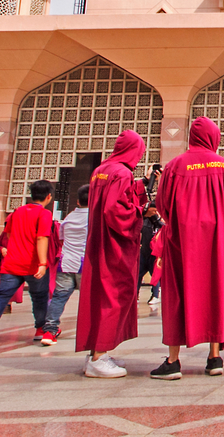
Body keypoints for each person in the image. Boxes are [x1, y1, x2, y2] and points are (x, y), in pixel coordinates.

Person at [153, 117, 224, 379]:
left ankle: (173, 361)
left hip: (182, 242)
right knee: (215, 292)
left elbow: (162, 204)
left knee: (178, 296)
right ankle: (214, 357)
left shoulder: (175, 166)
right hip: (217, 244)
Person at [76, 130, 153, 378]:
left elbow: (116, 196)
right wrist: (142, 213)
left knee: (100, 296)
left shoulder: (101, 170)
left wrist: (141, 184)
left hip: (99, 244)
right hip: (114, 246)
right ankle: (98, 358)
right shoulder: (122, 172)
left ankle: (97, 352)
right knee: (114, 295)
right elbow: (115, 209)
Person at [0, 180, 55, 349]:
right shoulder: (44, 214)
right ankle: (41, 329)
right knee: (39, 297)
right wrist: (42, 263)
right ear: (49, 196)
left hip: (12, 263)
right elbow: (41, 238)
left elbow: (9, 234)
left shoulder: (16, 212)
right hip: (32, 264)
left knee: (1, 296)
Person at [41, 183, 90, 347]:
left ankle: (50, 330)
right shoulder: (95, 218)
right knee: (89, 299)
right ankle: (90, 329)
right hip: (85, 264)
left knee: (59, 297)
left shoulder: (69, 218)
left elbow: (61, 239)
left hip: (67, 262)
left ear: (77, 201)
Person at [139, 202, 163, 304]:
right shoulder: (142, 219)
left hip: (153, 252)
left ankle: (155, 295)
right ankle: (135, 295)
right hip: (143, 251)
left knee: (154, 275)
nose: (154, 212)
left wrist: (156, 219)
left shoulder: (157, 220)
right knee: (138, 274)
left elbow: (163, 227)